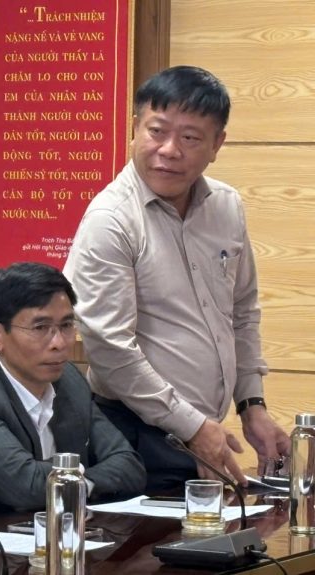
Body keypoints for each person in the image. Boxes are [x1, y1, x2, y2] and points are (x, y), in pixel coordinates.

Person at [64, 65, 290, 492]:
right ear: (134, 129)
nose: (169, 150)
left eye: (190, 138)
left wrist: (251, 405)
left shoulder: (226, 206)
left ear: (216, 144)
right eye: (156, 131)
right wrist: (192, 428)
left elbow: (242, 312)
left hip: (201, 430)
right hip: (132, 436)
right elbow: (110, 349)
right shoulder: (111, 220)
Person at [0, 262, 146, 523]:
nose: (59, 343)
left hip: (49, 535)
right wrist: (86, 479)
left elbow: (129, 465)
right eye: (40, 328)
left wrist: (76, 481)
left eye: (67, 325)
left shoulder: (69, 380)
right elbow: (27, 486)